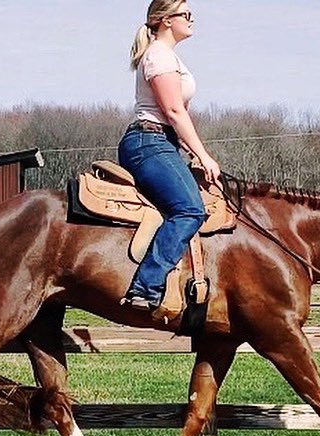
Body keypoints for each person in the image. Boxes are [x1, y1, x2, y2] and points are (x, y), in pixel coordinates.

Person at [119, 0, 221, 311]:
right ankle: (145, 288)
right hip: (148, 143)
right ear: (165, 20)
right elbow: (174, 112)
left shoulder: (170, 56)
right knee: (190, 210)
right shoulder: (159, 56)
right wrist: (205, 157)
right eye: (185, 15)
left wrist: (192, 149)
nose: (191, 20)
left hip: (164, 141)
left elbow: (181, 116)